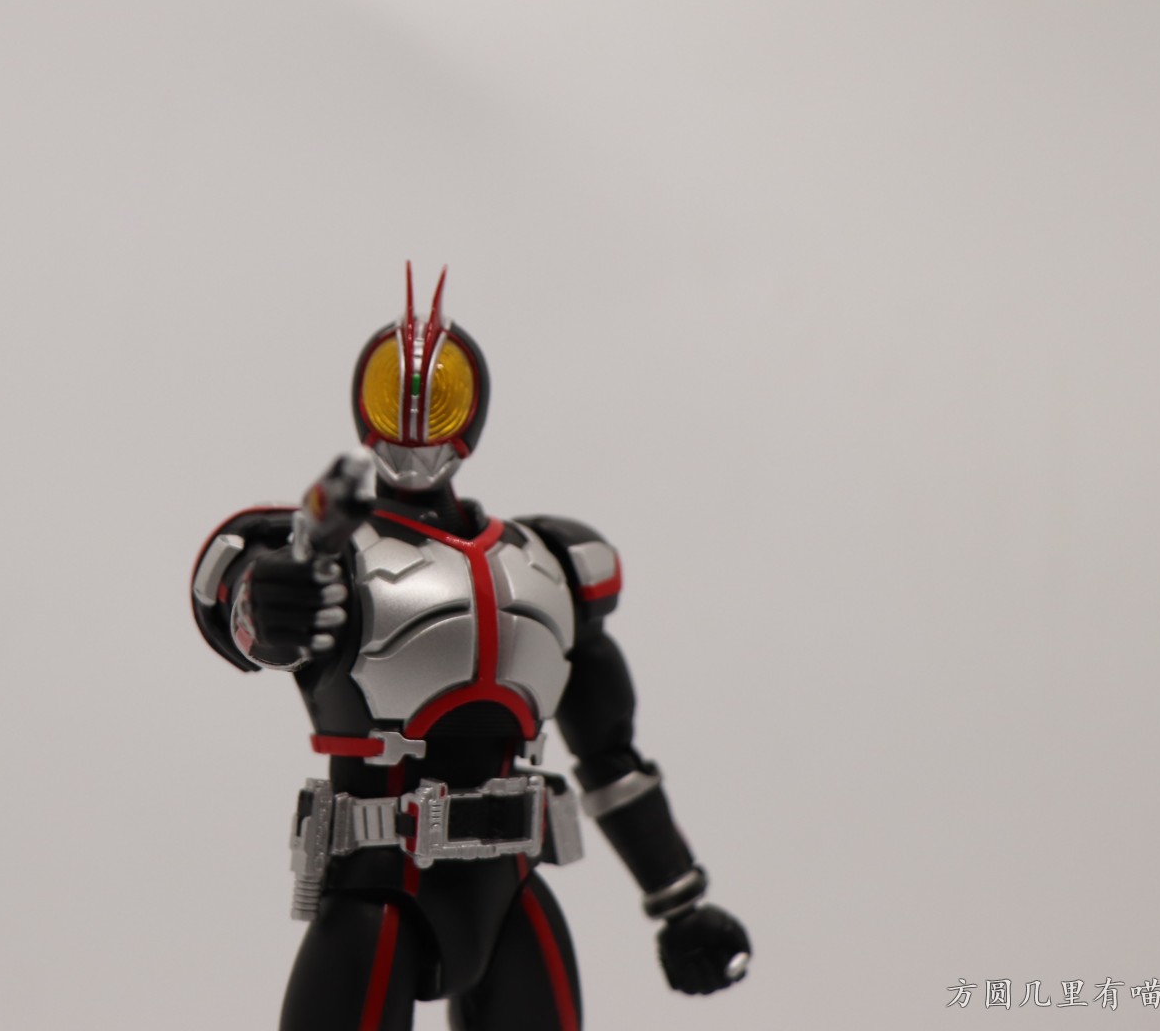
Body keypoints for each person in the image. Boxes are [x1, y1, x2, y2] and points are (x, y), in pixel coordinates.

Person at [188, 266, 751, 1030]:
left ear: (472, 408)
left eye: (439, 396)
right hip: (376, 888)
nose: (416, 415)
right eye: (395, 394)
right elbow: (235, 597)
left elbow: (611, 757)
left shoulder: (550, 565)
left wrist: (680, 901)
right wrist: (267, 601)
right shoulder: (329, 557)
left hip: (512, 888)